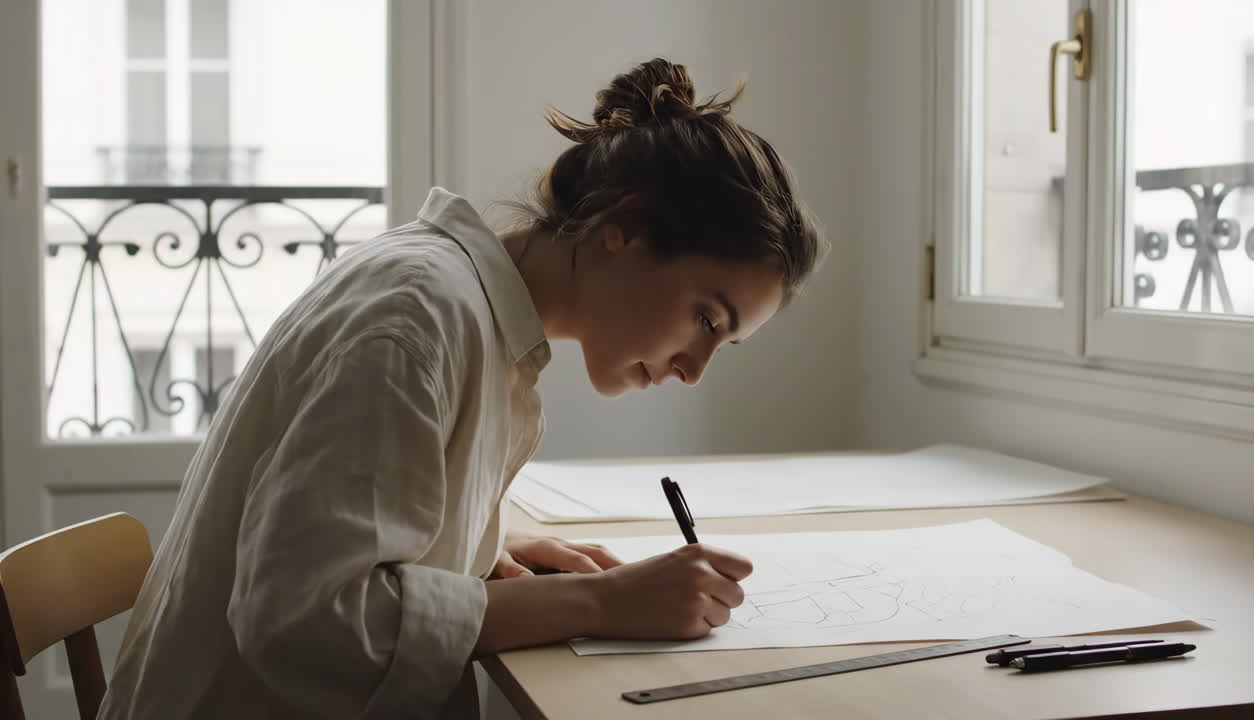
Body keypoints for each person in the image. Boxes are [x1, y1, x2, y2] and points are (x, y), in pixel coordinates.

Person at [97, 57, 825, 719]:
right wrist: (597, 601)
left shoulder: (459, 303)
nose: (693, 369)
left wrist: (481, 547)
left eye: (722, 344)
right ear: (624, 227)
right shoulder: (415, 320)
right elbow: (305, 619)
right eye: (705, 317)